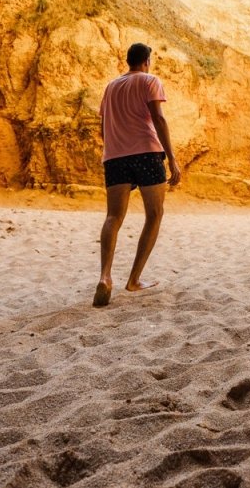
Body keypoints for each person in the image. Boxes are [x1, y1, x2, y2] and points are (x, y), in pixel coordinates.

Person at [93, 42, 181, 307]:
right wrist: (173, 159)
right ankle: (134, 280)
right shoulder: (149, 80)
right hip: (146, 153)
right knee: (154, 214)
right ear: (147, 61)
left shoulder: (111, 87)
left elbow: (103, 126)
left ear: (127, 60)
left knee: (113, 216)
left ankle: (105, 276)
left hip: (115, 157)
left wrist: (113, 150)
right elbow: (158, 118)